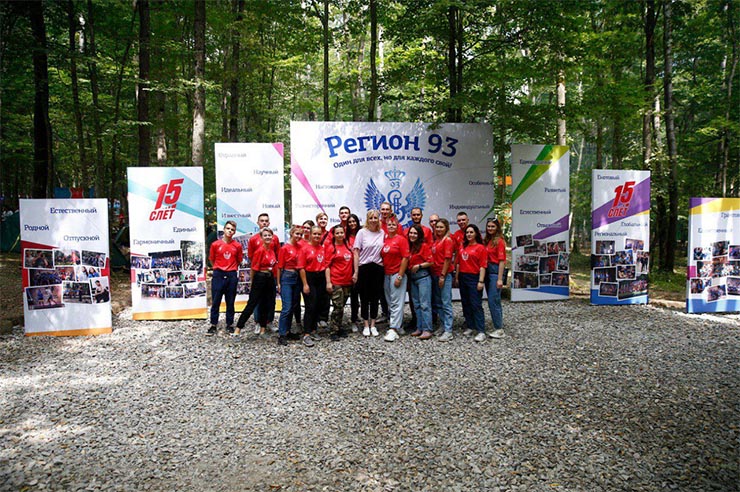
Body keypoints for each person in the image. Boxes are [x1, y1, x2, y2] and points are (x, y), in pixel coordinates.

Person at [235, 228, 277, 337]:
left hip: (269, 278)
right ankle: (238, 329)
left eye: (269, 235)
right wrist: (252, 282)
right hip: (260, 278)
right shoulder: (259, 251)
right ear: (261, 238)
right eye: (265, 235)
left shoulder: (271, 250)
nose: (267, 237)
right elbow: (253, 268)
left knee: (266, 304)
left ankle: (263, 329)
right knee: (252, 304)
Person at [208, 221, 244, 335]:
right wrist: (218, 268)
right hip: (218, 275)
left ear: (234, 232)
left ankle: (229, 324)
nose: (230, 231)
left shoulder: (237, 246)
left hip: (231, 275)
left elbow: (239, 260)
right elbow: (211, 259)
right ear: (224, 229)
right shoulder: (215, 244)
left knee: (230, 301)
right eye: (228, 228)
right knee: (216, 301)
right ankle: (213, 324)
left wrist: (230, 268)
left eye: (232, 229)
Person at [352, 210, 384, 337]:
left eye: (375, 217)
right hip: (364, 268)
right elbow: (356, 253)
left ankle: (373, 325)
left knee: (375, 298)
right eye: (371, 218)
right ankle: (366, 324)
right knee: (364, 298)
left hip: (377, 268)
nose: (373, 220)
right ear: (367, 219)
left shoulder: (382, 233)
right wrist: (356, 272)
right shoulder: (362, 232)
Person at [455, 224, 488, 342]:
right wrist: (457, 277)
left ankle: (481, 330)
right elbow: (458, 263)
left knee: (476, 304)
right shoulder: (462, 246)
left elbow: (483, 266)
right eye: (467, 232)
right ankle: (470, 326)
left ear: (476, 234)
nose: (469, 234)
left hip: (474, 278)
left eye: (471, 232)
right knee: (466, 303)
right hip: (463, 277)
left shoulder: (480, 248)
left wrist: (481, 281)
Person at [248, 213, 280, 334]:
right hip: (259, 274)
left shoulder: (275, 238)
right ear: (258, 223)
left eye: (266, 221)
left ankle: (269, 321)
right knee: (258, 299)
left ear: (269, 223)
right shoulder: (253, 239)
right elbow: (251, 257)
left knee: (271, 299)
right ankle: (258, 322)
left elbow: (277, 255)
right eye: (262, 221)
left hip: (271, 274)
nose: (264, 223)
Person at [381, 214, 409, 342]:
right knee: (390, 302)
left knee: (397, 302)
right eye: (389, 224)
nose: (391, 226)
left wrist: (400, 275)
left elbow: (405, 258)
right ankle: (399, 325)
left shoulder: (401, 239)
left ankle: (393, 329)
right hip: (386, 274)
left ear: (397, 226)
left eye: (393, 224)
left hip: (397, 274)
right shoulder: (385, 239)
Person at [299, 226, 329, 347]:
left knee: (318, 305)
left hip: (320, 278)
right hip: (309, 278)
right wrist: (305, 284)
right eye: (315, 234)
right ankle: (306, 334)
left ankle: (314, 330)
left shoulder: (322, 248)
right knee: (310, 306)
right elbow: (301, 268)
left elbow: (326, 265)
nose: (317, 236)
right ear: (310, 235)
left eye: (319, 234)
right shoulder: (304, 248)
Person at [276, 225, 304, 346]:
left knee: (293, 306)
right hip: (287, 277)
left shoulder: (300, 247)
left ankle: (287, 331)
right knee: (286, 307)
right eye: (297, 234)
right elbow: (279, 267)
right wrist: (278, 283)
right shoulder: (285, 248)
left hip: (297, 278)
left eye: (300, 234)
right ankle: (281, 334)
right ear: (291, 233)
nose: (299, 236)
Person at [325, 224, 354, 341]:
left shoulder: (348, 246)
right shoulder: (331, 248)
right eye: (337, 233)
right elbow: (327, 266)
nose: (340, 235)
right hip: (336, 281)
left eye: (341, 232)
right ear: (334, 234)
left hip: (347, 281)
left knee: (342, 306)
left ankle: (339, 327)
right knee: (337, 307)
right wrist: (328, 282)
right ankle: (333, 331)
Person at [407, 224, 433, 340]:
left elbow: (431, 262)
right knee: (416, 305)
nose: (412, 235)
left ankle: (427, 329)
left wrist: (419, 266)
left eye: (415, 233)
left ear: (419, 235)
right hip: (413, 278)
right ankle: (419, 327)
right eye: (411, 233)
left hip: (423, 277)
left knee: (425, 304)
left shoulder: (424, 246)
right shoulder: (411, 247)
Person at [431, 218, 455, 341]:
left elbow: (447, 259)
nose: (439, 229)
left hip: (444, 275)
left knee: (446, 302)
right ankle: (443, 325)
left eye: (441, 227)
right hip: (435, 273)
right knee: (438, 302)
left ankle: (448, 330)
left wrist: (442, 275)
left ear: (446, 228)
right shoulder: (437, 241)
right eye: (437, 227)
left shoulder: (447, 240)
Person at [484, 218, 506, 339]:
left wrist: (500, 278)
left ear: (497, 227)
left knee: (493, 300)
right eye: (489, 226)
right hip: (487, 272)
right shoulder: (488, 240)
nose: (490, 228)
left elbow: (502, 261)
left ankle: (499, 329)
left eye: (493, 226)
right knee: (494, 300)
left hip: (495, 272)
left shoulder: (500, 242)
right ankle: (498, 324)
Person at [346, 213, 362, 332]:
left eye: (354, 221)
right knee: (353, 295)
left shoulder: (362, 233)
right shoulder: (345, 236)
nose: (352, 224)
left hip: (363, 266)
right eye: (350, 222)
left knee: (364, 295)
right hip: (349, 268)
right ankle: (353, 319)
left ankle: (364, 317)